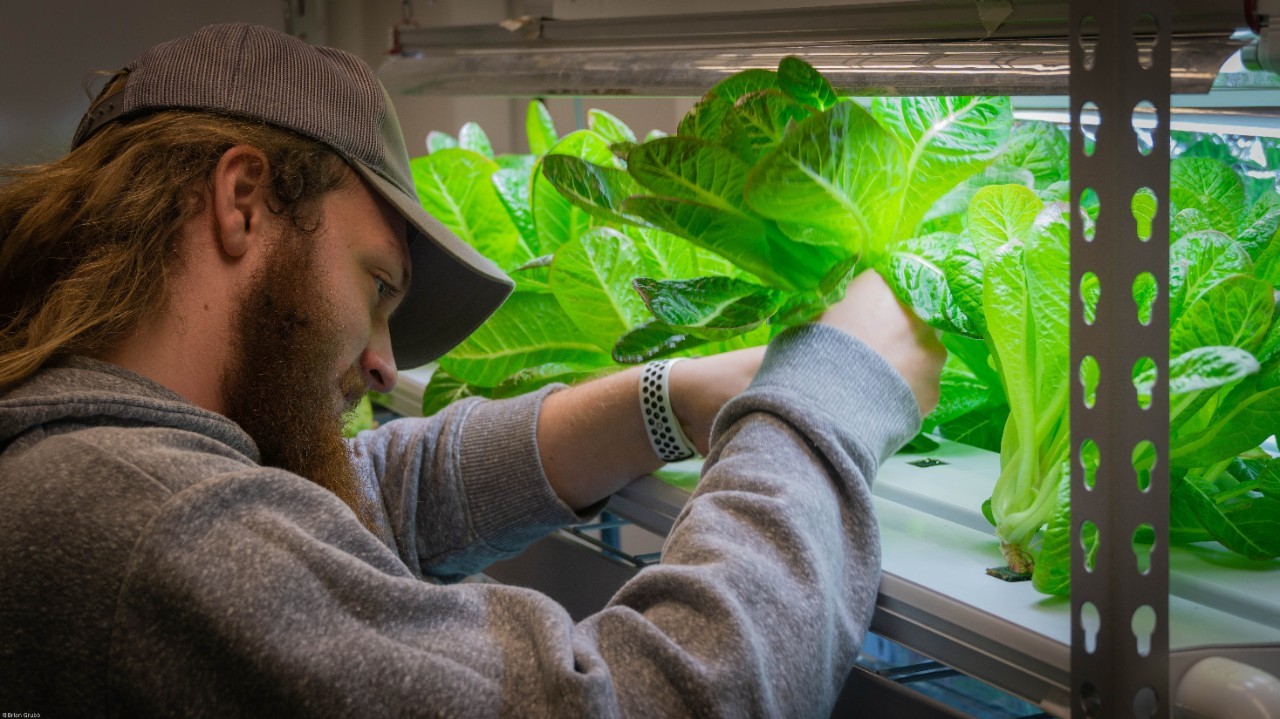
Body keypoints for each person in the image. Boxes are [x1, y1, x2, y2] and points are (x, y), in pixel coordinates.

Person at [0, 23, 944, 718]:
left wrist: (666, 399)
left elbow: (359, 498)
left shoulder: (80, 453)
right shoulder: (152, 531)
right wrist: (828, 393)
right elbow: (667, 699)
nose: (382, 361)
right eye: (378, 284)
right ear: (244, 200)